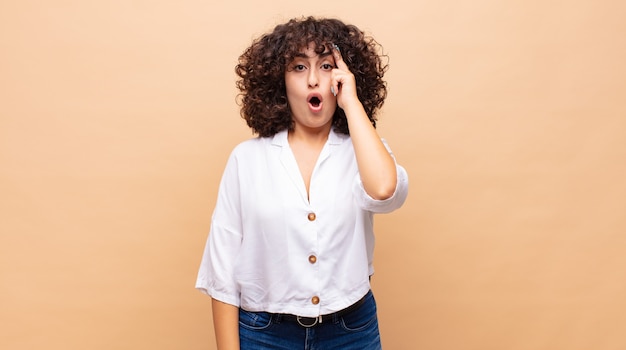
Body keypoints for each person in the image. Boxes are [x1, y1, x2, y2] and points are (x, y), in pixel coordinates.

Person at [196, 16, 409, 349]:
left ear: (343, 77)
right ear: (278, 81)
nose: (313, 80)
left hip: (351, 331)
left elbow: (385, 191)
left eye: (326, 66)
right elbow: (221, 272)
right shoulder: (246, 159)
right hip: (264, 334)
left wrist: (351, 104)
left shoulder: (362, 151)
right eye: (298, 67)